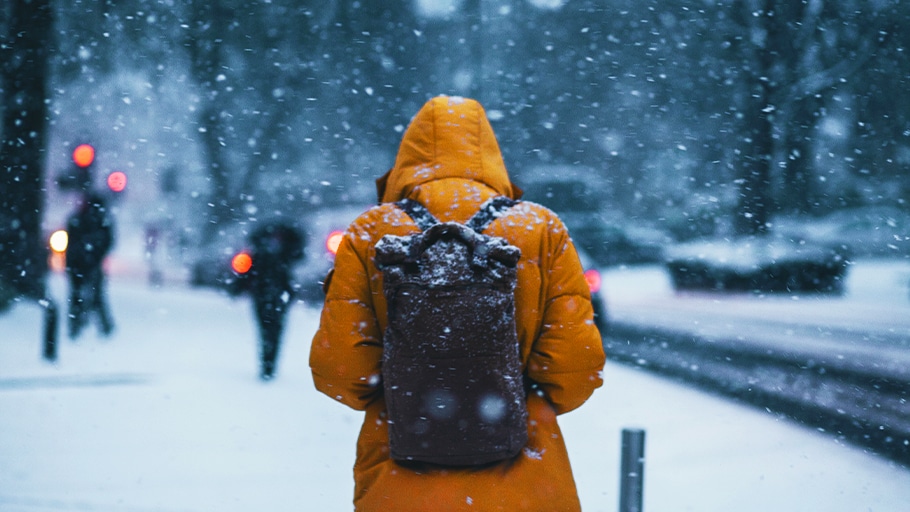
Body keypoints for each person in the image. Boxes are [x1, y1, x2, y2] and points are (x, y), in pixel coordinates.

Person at [309, 96, 606, 511]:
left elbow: (338, 372)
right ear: (489, 154)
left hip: (399, 480)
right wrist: (504, 396)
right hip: (524, 484)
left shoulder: (372, 232)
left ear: (407, 157)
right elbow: (575, 369)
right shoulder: (539, 229)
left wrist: (410, 388)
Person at [241, 222, 304, 380]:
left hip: (271, 295)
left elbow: (248, 272)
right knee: (269, 330)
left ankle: (268, 365)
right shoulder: (278, 252)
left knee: (271, 331)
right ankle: (268, 365)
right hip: (271, 294)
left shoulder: (272, 251)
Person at [65, 191, 115, 339]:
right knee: (95, 295)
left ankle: (76, 326)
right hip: (88, 263)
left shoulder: (78, 218)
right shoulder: (101, 221)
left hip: (78, 263)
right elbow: (107, 242)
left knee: (78, 295)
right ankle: (102, 326)